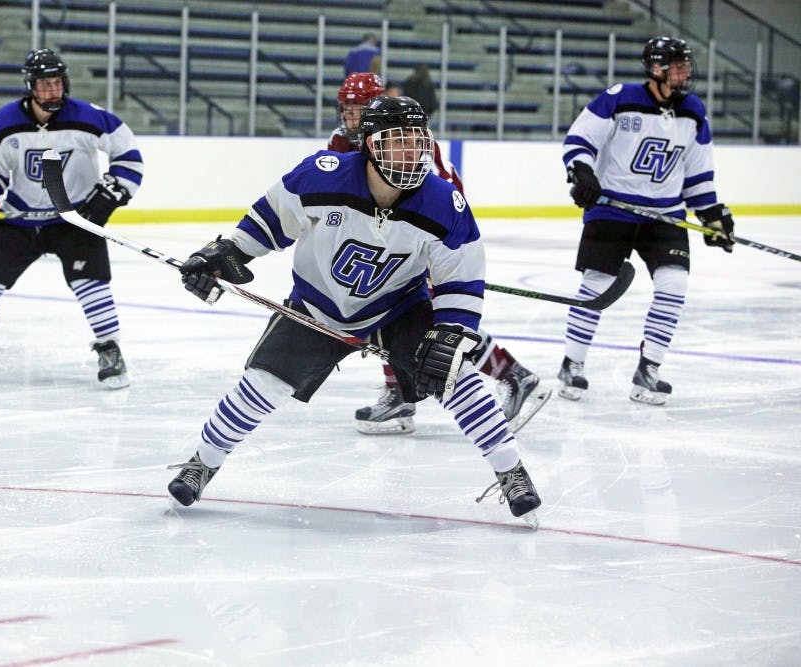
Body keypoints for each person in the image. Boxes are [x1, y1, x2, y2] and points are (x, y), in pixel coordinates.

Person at [167, 96, 542, 526]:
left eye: (416, 143)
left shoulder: (444, 204)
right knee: (260, 384)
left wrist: (451, 332)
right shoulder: (322, 176)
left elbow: (462, 279)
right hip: (318, 307)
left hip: (398, 307)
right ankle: (203, 462)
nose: (410, 154)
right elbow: (268, 222)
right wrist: (226, 254)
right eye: (396, 143)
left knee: (457, 374)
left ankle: (511, 470)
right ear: (368, 145)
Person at [331, 72, 550, 435]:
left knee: (436, 323)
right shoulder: (339, 141)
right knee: (381, 315)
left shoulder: (408, 139)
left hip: (429, 237)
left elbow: (442, 197)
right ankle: (400, 392)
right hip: (383, 243)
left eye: (359, 110)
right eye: (347, 110)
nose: (351, 119)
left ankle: (515, 375)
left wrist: (433, 257)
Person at [0, 49, 143, 390]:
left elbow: (129, 155)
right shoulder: (4, 121)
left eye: (58, 83)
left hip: (74, 218)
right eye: (45, 85)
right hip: (20, 218)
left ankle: (110, 348)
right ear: (31, 87)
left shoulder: (88, 116)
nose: (53, 92)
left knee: (92, 284)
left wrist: (112, 192)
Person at [559, 36, 735, 405]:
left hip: (664, 215)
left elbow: (698, 174)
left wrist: (713, 215)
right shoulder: (619, 98)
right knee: (597, 286)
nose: (685, 72)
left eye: (686, 65)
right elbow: (579, 140)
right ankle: (572, 363)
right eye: (677, 65)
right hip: (613, 209)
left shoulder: (693, 111)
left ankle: (649, 368)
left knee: (674, 285)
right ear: (655, 69)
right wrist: (582, 172)